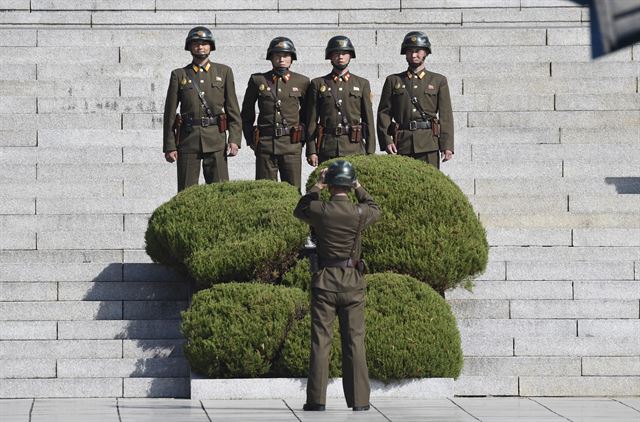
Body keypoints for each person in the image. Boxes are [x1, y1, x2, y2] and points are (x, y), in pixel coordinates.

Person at [293, 160, 381, 412]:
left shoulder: (320, 209)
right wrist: (359, 186)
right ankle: (360, 401)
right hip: (352, 281)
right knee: (355, 342)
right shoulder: (359, 212)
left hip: (325, 281)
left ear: (330, 185)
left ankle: (316, 401)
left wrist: (316, 186)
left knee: (321, 341)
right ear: (350, 186)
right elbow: (375, 208)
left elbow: (300, 210)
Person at [163, 26, 241, 191]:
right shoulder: (179, 75)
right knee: (186, 192)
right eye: (196, 43)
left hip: (216, 139)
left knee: (221, 192)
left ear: (211, 46)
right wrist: (170, 145)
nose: (200, 47)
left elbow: (233, 109)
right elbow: (170, 114)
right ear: (189, 47)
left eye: (204, 43)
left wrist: (234, 139)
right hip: (188, 140)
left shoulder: (224, 72)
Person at [376, 31, 454, 169]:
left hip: (428, 143)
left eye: (418, 51)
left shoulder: (438, 80)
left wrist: (447, 145)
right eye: (410, 51)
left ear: (426, 53)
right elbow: (384, 113)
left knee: (430, 185)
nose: (413, 55)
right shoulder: (393, 80)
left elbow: (446, 115)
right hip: (402, 143)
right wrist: (387, 140)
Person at [241, 37, 310, 190]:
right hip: (265, 143)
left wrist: (301, 139)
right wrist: (250, 139)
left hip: (291, 144)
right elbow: (246, 113)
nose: (281, 59)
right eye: (277, 55)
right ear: (271, 57)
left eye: (286, 55)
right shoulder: (258, 80)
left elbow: (307, 115)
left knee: (293, 190)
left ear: (292, 58)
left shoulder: (302, 82)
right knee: (264, 191)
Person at [305, 36, 376, 167]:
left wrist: (370, 151)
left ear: (350, 56)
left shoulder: (362, 83)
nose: (340, 57)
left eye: (344, 53)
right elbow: (312, 120)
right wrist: (311, 150)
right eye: (336, 53)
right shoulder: (318, 83)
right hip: (327, 147)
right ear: (330, 56)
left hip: (354, 147)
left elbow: (369, 119)